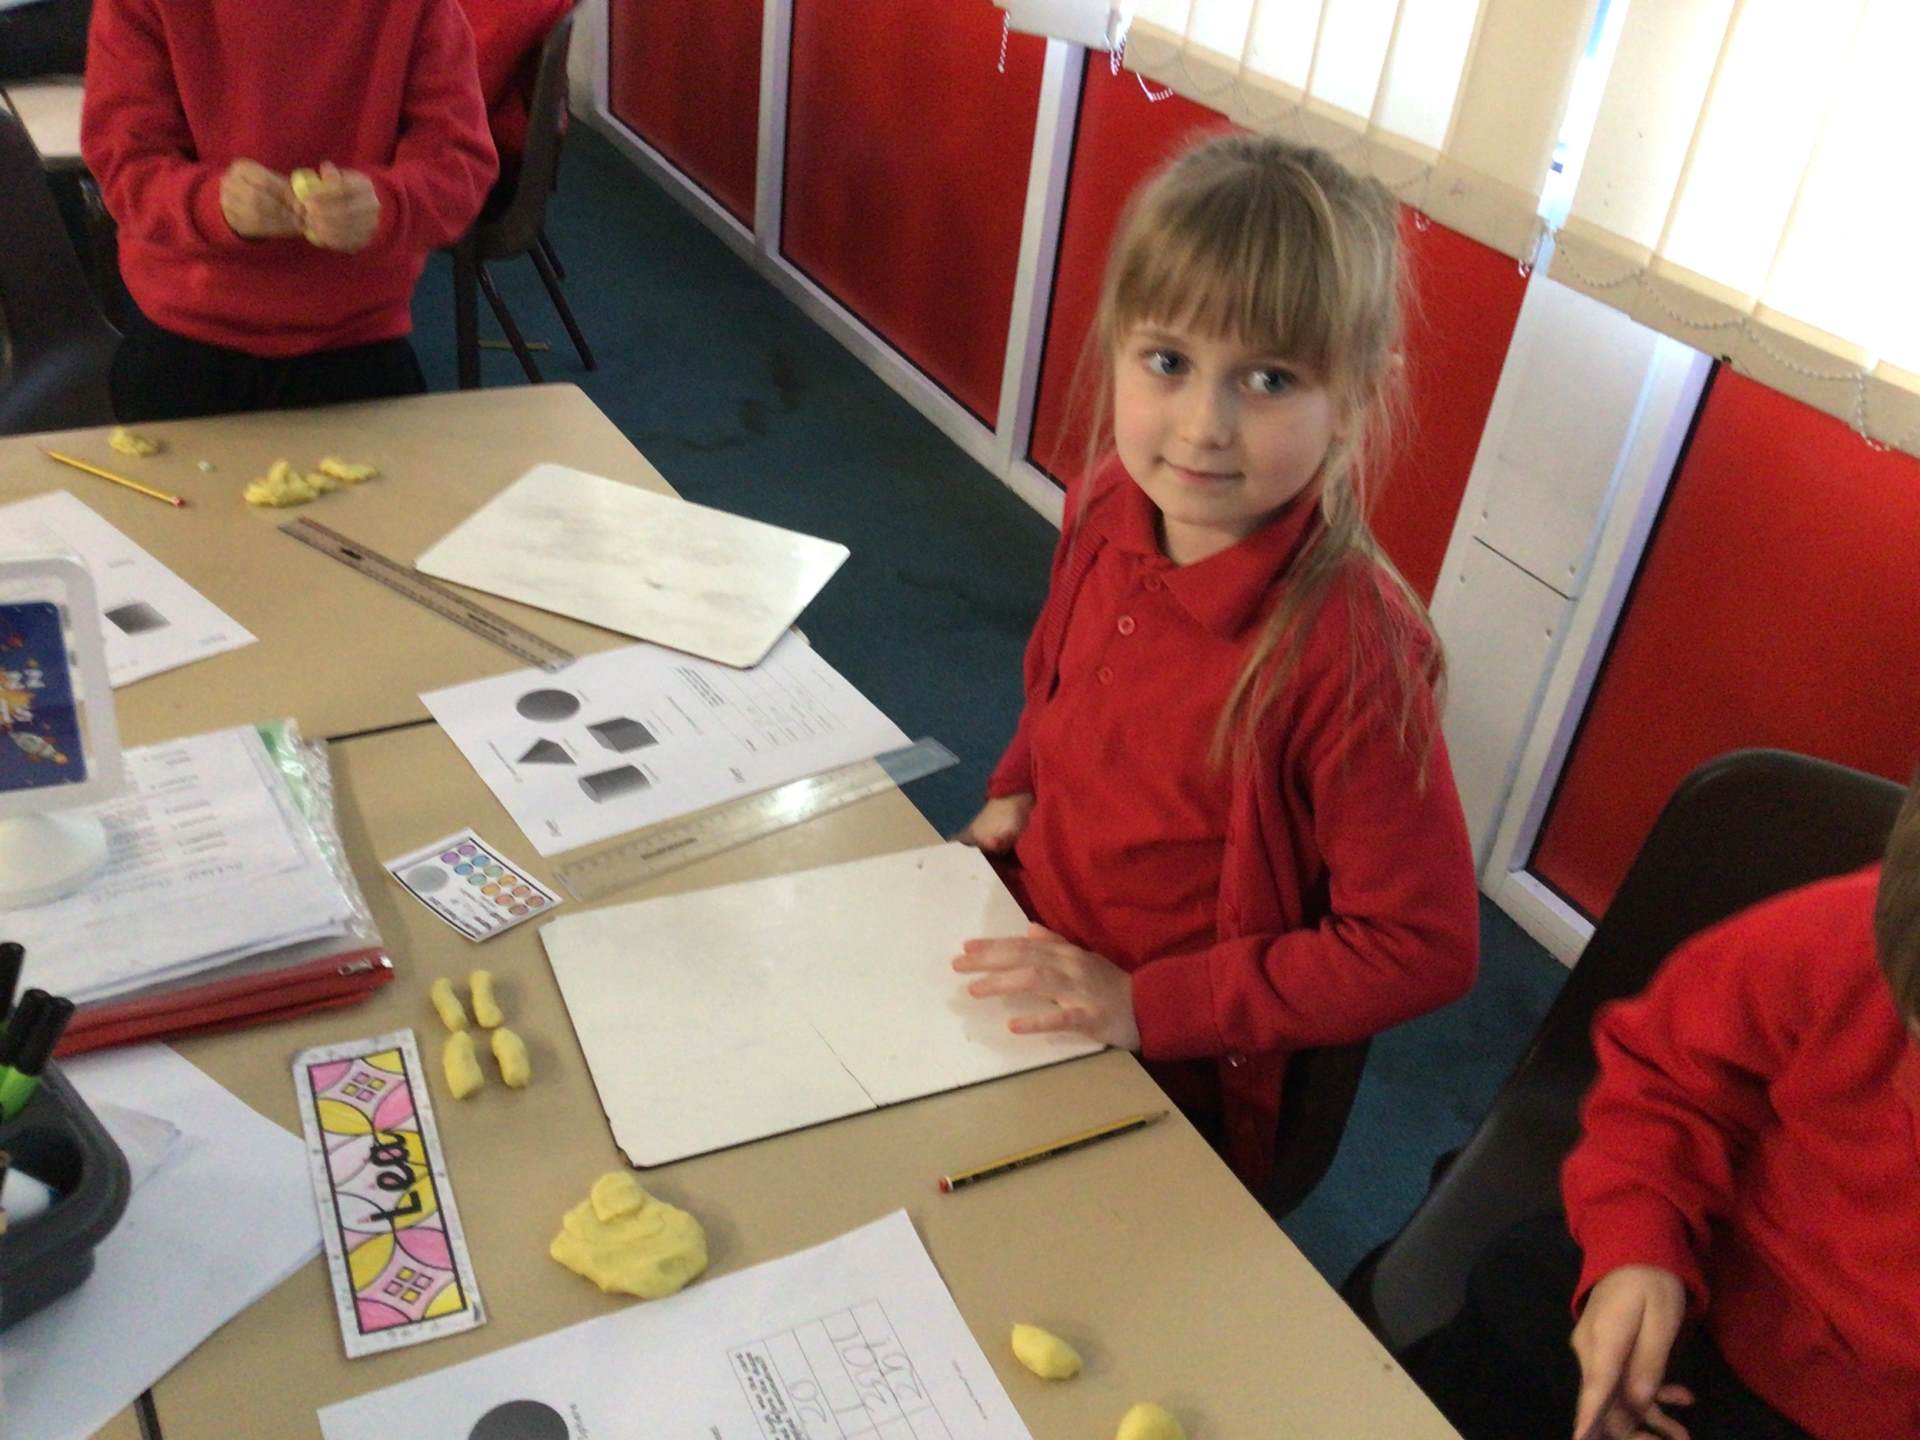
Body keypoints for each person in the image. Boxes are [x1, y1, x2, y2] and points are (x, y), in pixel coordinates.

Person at [949, 133, 1479, 1191]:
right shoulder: (1110, 498)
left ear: (1355, 399)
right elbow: (1058, 673)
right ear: (1117, 347)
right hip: (1025, 940)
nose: (1202, 427)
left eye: (1269, 379)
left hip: (1165, 1064)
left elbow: (1422, 945)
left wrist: (1147, 1007)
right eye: (1168, 362)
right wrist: (1017, 784)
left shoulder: (1349, 654)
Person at [1400, 773, 1920, 1440]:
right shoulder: (1846, 936)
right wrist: (1637, 1248)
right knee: (1516, 1298)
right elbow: (1668, 1080)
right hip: (1706, 1279)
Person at [80, 0, 499, 422]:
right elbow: (126, 160)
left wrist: (388, 204)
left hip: (356, 339)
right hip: (187, 339)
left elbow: (458, 162)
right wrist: (212, 203)